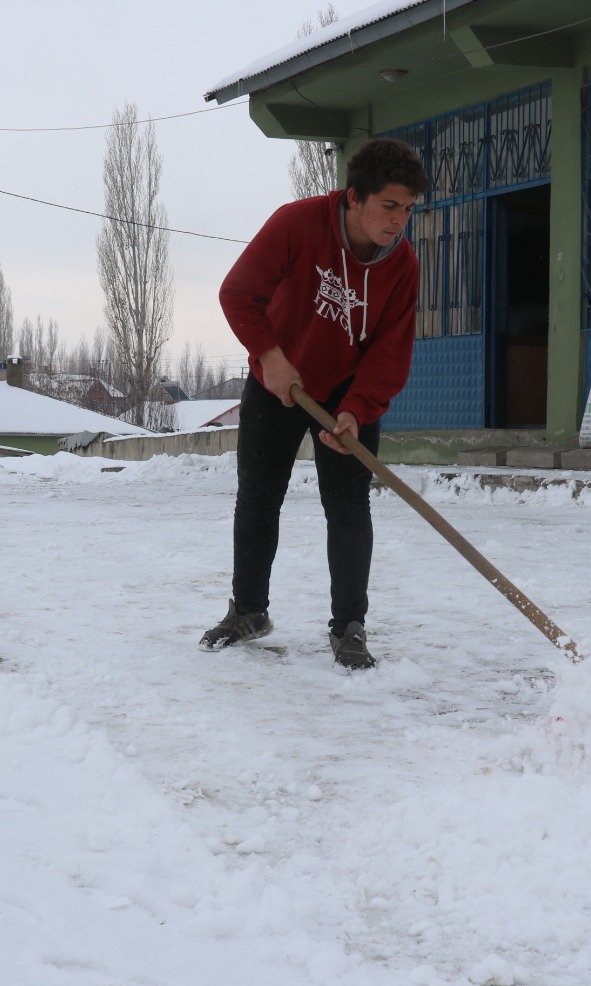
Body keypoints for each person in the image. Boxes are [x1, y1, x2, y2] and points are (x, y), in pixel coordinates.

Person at [199, 138, 429, 670]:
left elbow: (391, 351)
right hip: (281, 379)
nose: (399, 221)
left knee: (349, 506)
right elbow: (238, 293)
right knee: (258, 498)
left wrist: (357, 407)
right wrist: (270, 355)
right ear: (354, 198)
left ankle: (349, 625)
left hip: (346, 392)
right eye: (389, 206)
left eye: (408, 210)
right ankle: (248, 611)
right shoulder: (297, 224)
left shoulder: (403, 267)